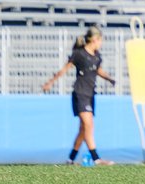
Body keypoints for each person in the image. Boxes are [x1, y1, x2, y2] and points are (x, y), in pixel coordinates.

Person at [42, 24, 116, 165]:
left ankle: (70, 159)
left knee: (83, 129)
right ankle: (96, 159)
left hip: (90, 94)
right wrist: (50, 83)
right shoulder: (79, 54)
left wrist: (109, 78)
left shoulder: (97, 56)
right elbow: (64, 69)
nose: (101, 43)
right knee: (88, 125)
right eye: (100, 40)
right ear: (94, 39)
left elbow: (97, 70)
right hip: (80, 93)